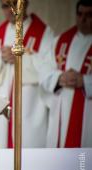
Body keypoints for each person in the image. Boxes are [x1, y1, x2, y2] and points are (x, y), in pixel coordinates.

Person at [0, 0, 54, 148]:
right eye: (5, 6)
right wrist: (0, 58)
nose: (10, 9)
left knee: (27, 153)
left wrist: (21, 59)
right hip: (2, 100)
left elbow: (50, 67)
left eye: (14, 3)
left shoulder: (43, 33)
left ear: (25, 3)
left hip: (29, 103)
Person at [40, 0, 92, 148]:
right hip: (61, 109)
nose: (83, 19)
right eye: (80, 14)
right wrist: (59, 77)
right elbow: (43, 70)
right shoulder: (60, 41)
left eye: (89, 15)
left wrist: (85, 81)